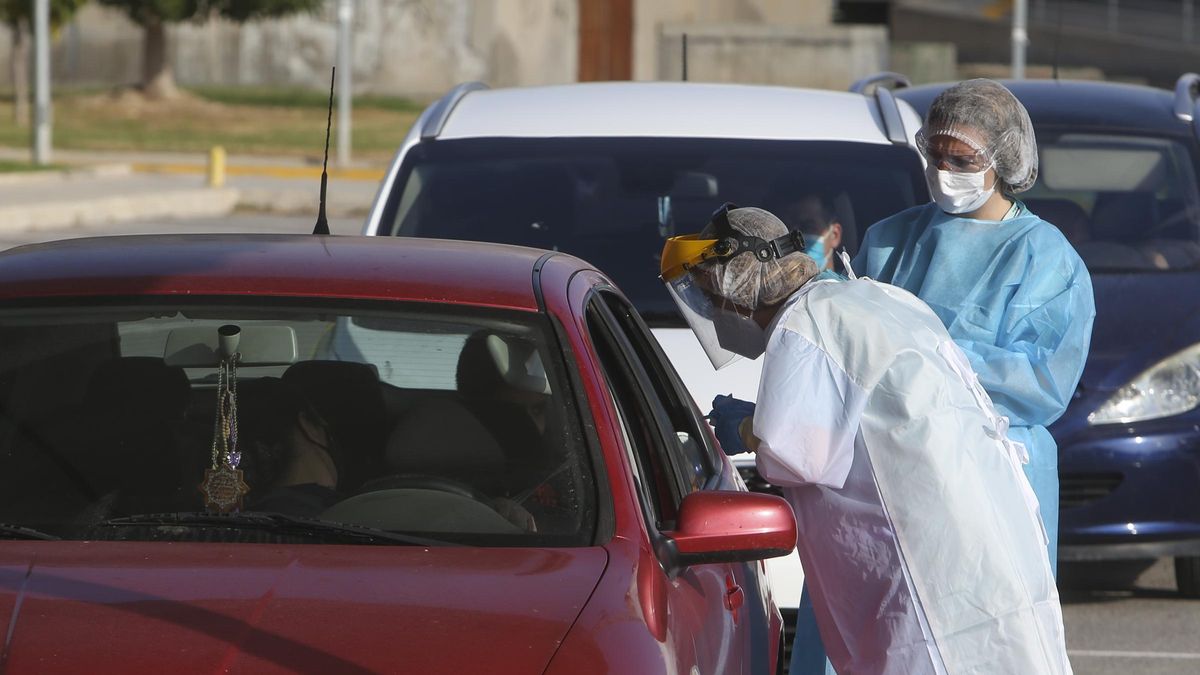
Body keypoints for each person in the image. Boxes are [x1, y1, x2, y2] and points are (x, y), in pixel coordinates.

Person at [663, 204, 1073, 674]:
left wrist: (745, 429)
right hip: (988, 550)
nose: (716, 315)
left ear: (738, 287)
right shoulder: (871, 299)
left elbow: (797, 453)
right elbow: (860, 415)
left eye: (713, 300)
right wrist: (762, 422)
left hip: (929, 578)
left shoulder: (805, 324)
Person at [777, 193, 844, 273]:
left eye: (807, 227)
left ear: (835, 235)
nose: (794, 239)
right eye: (787, 228)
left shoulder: (854, 285)